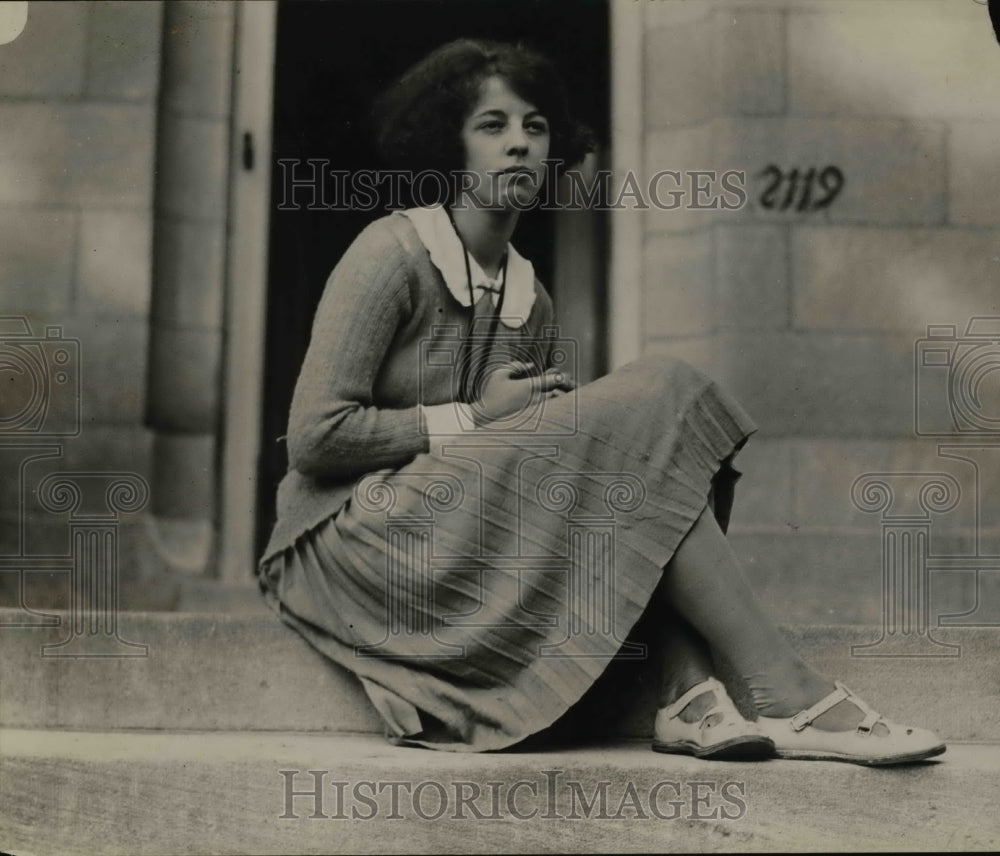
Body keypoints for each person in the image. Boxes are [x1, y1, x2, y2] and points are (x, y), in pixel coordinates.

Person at [257, 38, 945, 765]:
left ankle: (688, 691)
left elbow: (590, 488)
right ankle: (785, 692)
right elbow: (315, 439)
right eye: (492, 126)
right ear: (449, 144)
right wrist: (473, 419)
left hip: (459, 540)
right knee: (660, 389)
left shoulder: (533, 300)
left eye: (536, 126)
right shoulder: (391, 254)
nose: (518, 144)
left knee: (637, 445)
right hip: (349, 542)